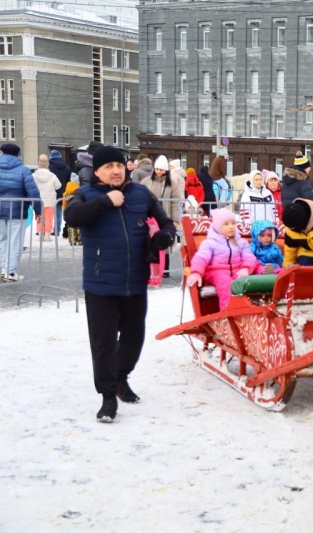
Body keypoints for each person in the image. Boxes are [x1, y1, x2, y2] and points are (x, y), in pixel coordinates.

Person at [63, 145, 176, 422]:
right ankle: (108, 396)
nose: (115, 170)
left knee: (133, 338)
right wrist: (106, 202)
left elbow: (166, 223)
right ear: (98, 171)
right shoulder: (85, 194)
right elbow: (71, 217)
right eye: (108, 166)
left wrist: (165, 236)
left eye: (119, 164)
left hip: (135, 280)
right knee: (103, 344)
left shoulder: (140, 193)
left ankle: (122, 379)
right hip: (101, 283)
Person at [186, 208, 258, 310]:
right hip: (217, 272)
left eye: (233, 223)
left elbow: (249, 256)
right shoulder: (209, 243)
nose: (231, 227)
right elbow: (201, 257)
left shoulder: (241, 242)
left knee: (250, 277)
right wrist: (196, 272)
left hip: (238, 271)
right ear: (218, 227)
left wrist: (246, 268)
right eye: (226, 224)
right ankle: (228, 310)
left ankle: (253, 307)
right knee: (226, 283)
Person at [0, 143, 41, 281]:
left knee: (3, 240)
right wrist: (38, 210)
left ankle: (3, 269)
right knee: (15, 241)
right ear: (18, 154)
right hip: (17, 211)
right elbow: (33, 192)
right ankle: (10, 272)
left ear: (2, 152)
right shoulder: (23, 170)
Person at [142, 155, 183, 277]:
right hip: (149, 218)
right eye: (157, 169)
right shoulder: (146, 182)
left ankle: (165, 270)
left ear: (166, 170)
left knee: (164, 242)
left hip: (165, 217)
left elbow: (176, 202)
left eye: (162, 169)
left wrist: (175, 219)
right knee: (149, 242)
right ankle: (149, 269)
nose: (159, 172)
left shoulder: (172, 184)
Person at [32, 154, 61, 241]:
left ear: (39, 163)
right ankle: (47, 235)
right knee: (48, 218)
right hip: (49, 200)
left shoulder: (34, 175)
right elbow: (58, 186)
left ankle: (40, 235)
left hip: (38, 200)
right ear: (47, 164)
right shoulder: (52, 176)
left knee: (39, 218)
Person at [48, 150, 71, 238]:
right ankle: (57, 230)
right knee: (58, 212)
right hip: (62, 193)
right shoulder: (67, 167)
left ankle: (47, 230)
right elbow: (69, 181)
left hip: (50, 192)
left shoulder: (49, 167)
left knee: (48, 212)